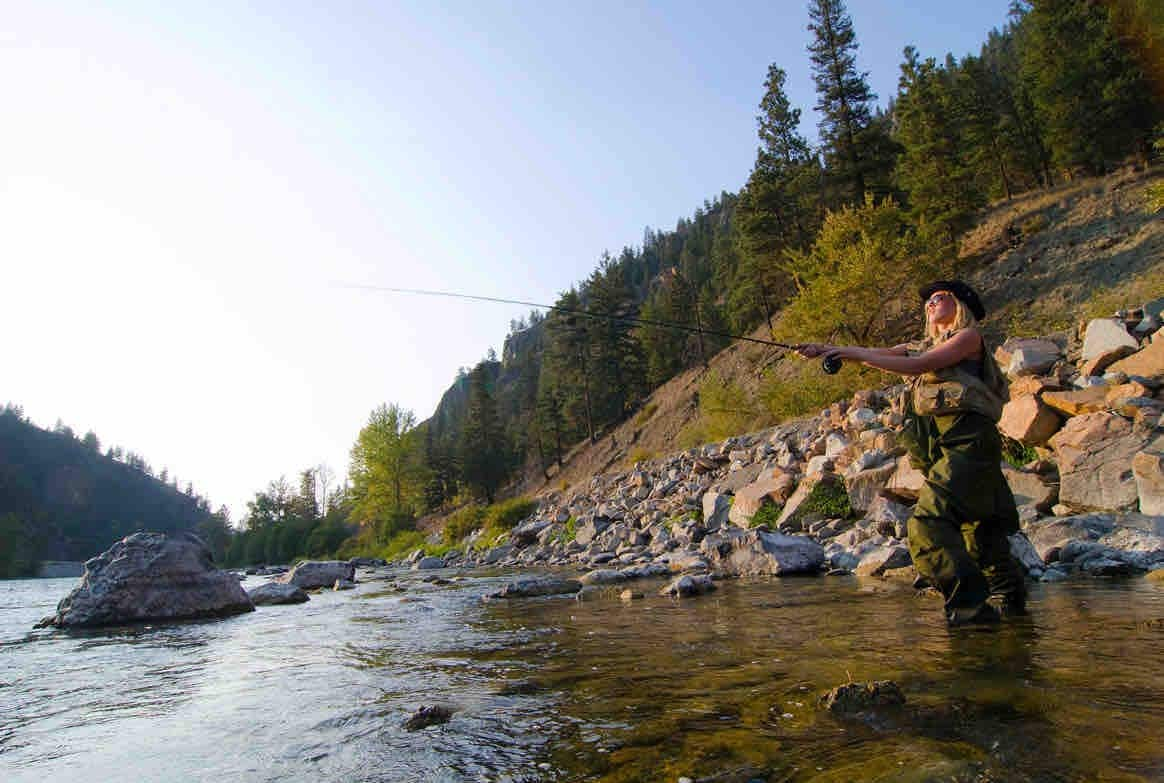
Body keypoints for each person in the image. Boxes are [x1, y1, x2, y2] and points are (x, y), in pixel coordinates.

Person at [797, 280, 1026, 627]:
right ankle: (1016, 620)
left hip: (970, 443)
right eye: (928, 301)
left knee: (927, 526)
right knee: (984, 534)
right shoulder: (920, 345)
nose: (931, 304)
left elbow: (920, 365)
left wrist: (848, 353)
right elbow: (879, 354)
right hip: (949, 449)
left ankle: (972, 614)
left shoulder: (968, 338)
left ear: (960, 303)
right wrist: (830, 350)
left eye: (939, 298)